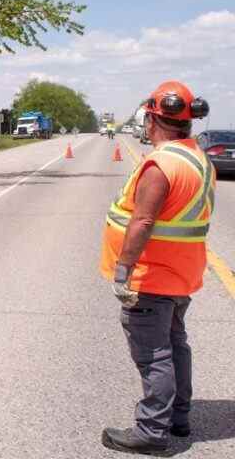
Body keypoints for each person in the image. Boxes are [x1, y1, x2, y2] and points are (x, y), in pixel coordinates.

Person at [99, 81, 214, 455]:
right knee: (175, 344)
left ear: (153, 120)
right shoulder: (196, 156)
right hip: (180, 275)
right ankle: (178, 417)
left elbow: (143, 221)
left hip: (152, 274)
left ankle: (152, 431)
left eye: (147, 119)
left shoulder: (161, 164)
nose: (146, 127)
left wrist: (123, 269)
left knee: (154, 354)